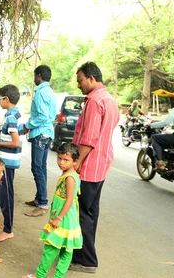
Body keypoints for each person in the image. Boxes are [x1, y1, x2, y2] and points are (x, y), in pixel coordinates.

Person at [69, 62, 119, 274]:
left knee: (83, 214)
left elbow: (89, 138)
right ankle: (81, 254)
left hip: (90, 166)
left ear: (91, 78)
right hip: (102, 164)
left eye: (80, 80)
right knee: (90, 212)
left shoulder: (94, 101)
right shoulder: (110, 100)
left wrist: (77, 161)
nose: (79, 85)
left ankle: (87, 260)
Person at [24, 143, 83, 278]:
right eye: (59, 158)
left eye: (66, 160)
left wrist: (58, 218)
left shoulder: (70, 178)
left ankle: (40, 275)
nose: (61, 162)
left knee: (51, 248)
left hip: (64, 219)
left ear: (75, 162)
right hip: (69, 219)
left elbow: (69, 200)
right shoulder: (69, 174)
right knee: (66, 250)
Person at [0, 84, 22, 242]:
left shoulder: (11, 117)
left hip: (7, 163)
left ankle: (8, 229)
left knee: (6, 196)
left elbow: (15, 143)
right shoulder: (14, 114)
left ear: (6, 99)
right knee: (0, 193)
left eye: (0, 98)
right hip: (5, 161)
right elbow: (9, 137)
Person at [23, 65, 58, 217]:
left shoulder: (40, 93)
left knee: (37, 168)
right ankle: (39, 198)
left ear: (39, 76)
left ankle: (42, 203)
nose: (34, 79)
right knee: (41, 167)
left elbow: (42, 116)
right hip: (47, 132)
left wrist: (27, 126)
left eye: (35, 76)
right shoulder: (49, 91)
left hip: (40, 133)